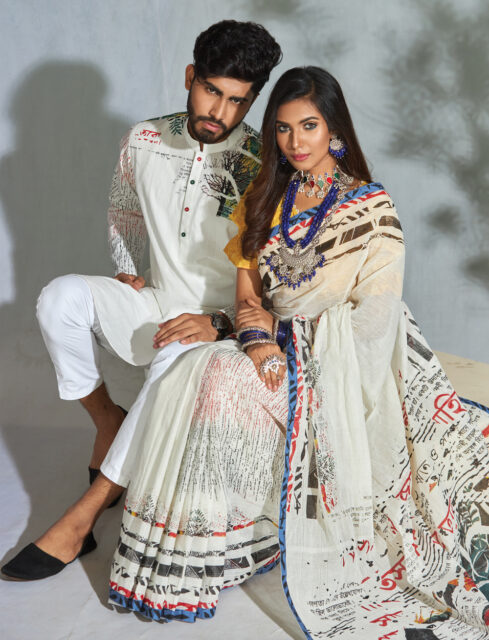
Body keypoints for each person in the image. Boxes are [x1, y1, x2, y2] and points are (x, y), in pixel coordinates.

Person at [5, 65, 489, 639]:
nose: (295, 142)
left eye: (309, 126)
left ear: (335, 129)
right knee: (200, 368)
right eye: (282, 128)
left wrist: (278, 336)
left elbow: (374, 322)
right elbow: (247, 296)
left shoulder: (371, 208)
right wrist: (252, 336)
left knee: (211, 372)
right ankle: (193, 558)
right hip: (262, 344)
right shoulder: (265, 197)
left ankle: (165, 534)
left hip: (338, 371)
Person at [32, 22, 281, 488]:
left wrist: (221, 321)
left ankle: (99, 497)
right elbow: (124, 210)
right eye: (211, 91)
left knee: (174, 359)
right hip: (157, 301)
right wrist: (127, 271)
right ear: (190, 76)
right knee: (59, 299)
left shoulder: (263, 162)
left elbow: (274, 278)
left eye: (237, 101)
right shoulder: (143, 140)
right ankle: (108, 421)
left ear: (251, 102)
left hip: (223, 325)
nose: (219, 111)